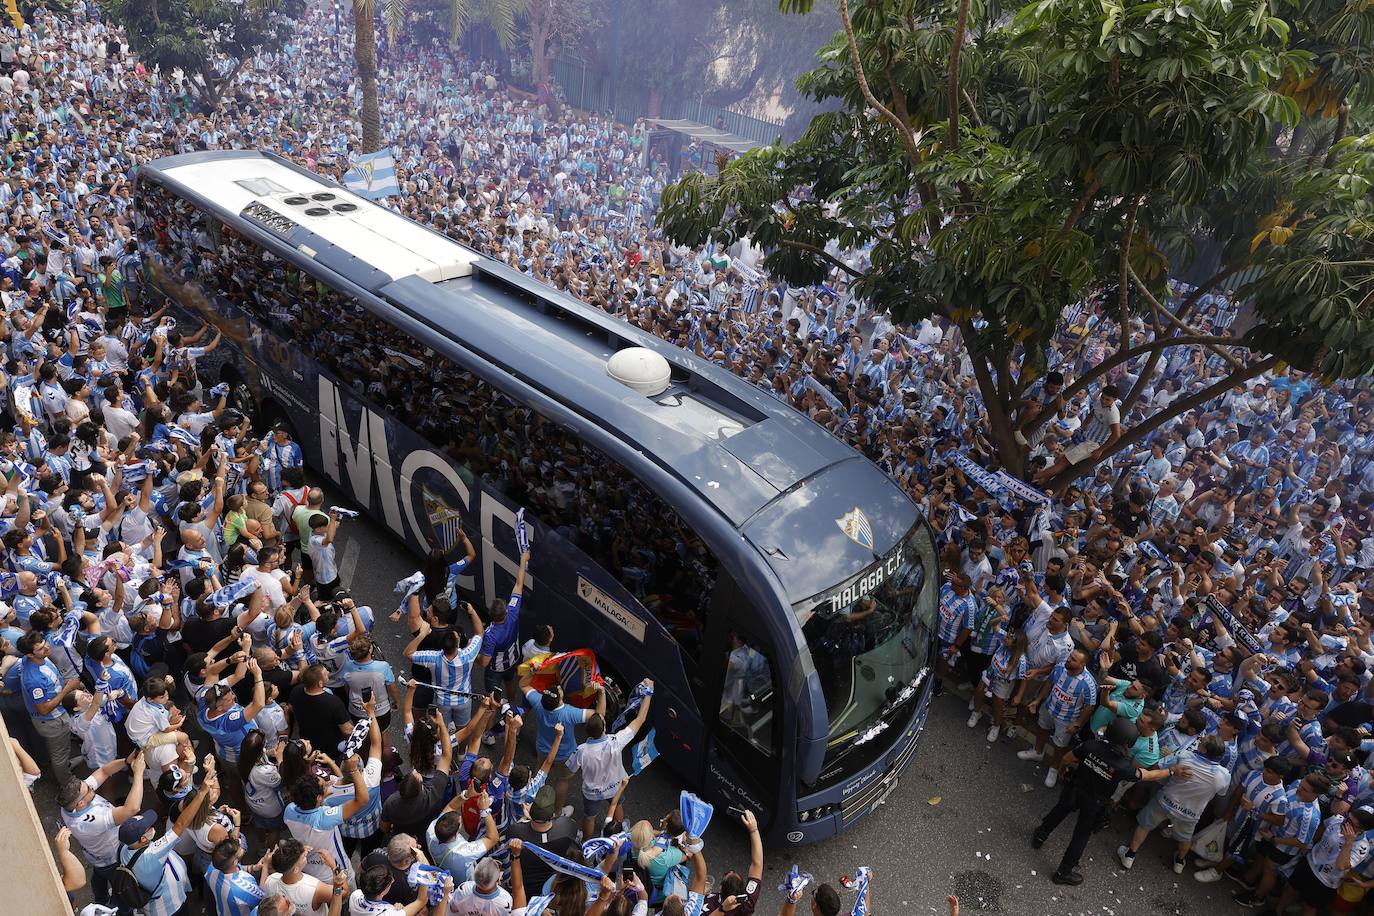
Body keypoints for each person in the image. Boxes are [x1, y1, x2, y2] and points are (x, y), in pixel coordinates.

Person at [1032, 717, 1180, 885]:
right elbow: (1148, 775)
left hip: (1075, 789)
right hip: (1095, 803)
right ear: (1128, 742)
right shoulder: (1124, 766)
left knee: (1059, 811)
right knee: (1081, 835)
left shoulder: (1090, 746)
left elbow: (1067, 758)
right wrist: (1172, 772)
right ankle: (1063, 872)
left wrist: (1062, 771)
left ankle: (1039, 837)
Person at [1117, 734, 1233, 874]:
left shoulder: (1184, 756)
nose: (1199, 743)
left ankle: (1130, 855)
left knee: (1144, 825)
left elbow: (1158, 766)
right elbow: (1220, 792)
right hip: (1190, 813)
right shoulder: (1224, 775)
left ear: (1204, 750)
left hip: (1165, 801)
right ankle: (1179, 862)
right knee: (1185, 838)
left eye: (1201, 742)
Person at [115, 764, 217, 916]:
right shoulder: (153, 854)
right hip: (170, 907)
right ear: (143, 839)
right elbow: (181, 824)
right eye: (148, 827)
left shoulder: (124, 849)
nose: (152, 826)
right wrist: (202, 793)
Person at [58, 750, 148, 907]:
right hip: (111, 860)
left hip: (97, 857)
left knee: (99, 878)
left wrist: (126, 761)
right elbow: (131, 809)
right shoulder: (89, 821)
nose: (92, 787)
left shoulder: (71, 805)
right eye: (89, 790)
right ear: (81, 804)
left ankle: (101, 899)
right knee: (122, 889)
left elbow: (104, 771)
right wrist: (138, 773)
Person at [568, 678, 653, 839]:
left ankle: (586, 840)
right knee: (618, 805)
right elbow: (640, 719)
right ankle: (618, 832)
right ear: (604, 727)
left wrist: (601, 692)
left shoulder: (581, 750)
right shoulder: (616, 741)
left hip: (592, 792)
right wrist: (649, 692)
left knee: (589, 816)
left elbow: (570, 770)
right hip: (615, 786)